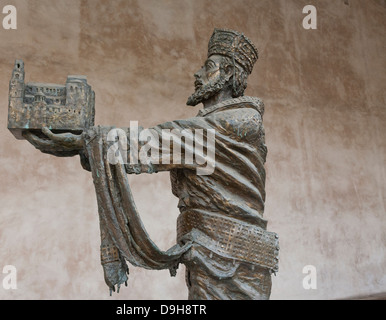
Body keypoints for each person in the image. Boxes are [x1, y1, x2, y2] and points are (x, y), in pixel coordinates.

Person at [23, 28, 279, 300]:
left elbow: (154, 142)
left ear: (227, 73)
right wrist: (89, 142)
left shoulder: (233, 124)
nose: (198, 74)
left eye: (208, 67)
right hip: (216, 257)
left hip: (230, 263)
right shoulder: (216, 127)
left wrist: (86, 141)